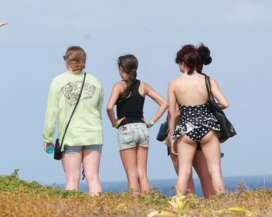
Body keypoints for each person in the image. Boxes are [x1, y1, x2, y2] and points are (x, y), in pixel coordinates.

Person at [167, 44, 230, 196]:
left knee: (184, 172)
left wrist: (172, 137)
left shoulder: (174, 83)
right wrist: (209, 108)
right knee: (215, 170)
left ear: (183, 62)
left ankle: (178, 204)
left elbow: (171, 112)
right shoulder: (208, 80)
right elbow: (225, 103)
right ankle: (223, 202)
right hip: (208, 127)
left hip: (186, 129)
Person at [43, 46, 104, 195]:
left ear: (67, 60)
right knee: (93, 178)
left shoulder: (58, 81)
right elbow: (98, 109)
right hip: (94, 134)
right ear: (84, 61)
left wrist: (48, 137)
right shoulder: (95, 81)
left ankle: (72, 209)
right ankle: (99, 207)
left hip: (71, 135)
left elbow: (52, 112)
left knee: (72, 178)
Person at [105, 54, 168, 194]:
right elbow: (164, 103)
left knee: (131, 174)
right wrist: (151, 122)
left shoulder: (119, 86)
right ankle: (147, 201)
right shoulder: (143, 86)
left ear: (121, 69)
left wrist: (114, 123)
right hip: (142, 128)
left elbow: (109, 107)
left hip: (126, 129)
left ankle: (135, 203)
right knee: (142, 173)